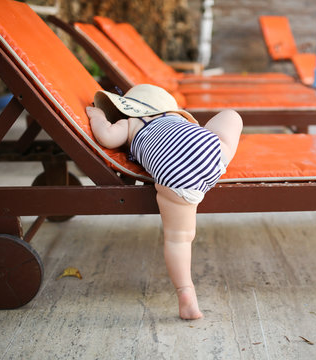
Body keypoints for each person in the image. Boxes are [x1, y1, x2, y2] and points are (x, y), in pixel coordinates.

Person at [86, 84, 243, 319]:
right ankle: (214, 144)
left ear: (127, 109)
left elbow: (107, 137)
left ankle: (186, 293)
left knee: (179, 238)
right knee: (231, 116)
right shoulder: (173, 117)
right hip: (209, 152)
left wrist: (97, 116)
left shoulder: (129, 123)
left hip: (175, 176)